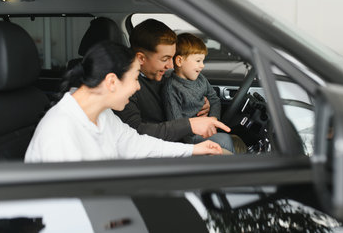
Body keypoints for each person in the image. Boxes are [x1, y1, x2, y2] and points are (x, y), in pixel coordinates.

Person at [24, 41, 222, 163]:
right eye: (136, 78)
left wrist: (195, 149)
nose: (137, 87)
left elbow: (137, 145)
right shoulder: (60, 131)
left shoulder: (102, 115)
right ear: (111, 81)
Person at [114, 19, 234, 150]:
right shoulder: (126, 88)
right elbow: (135, 131)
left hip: (178, 142)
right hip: (162, 148)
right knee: (225, 143)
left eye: (172, 58)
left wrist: (202, 104)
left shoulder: (165, 76)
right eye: (165, 59)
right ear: (141, 58)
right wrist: (190, 125)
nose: (171, 65)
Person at [162, 33, 234, 152]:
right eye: (198, 61)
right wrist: (192, 147)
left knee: (229, 138)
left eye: (202, 61)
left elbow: (214, 99)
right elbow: (176, 125)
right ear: (179, 61)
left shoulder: (201, 79)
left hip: (206, 128)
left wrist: (213, 119)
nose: (202, 66)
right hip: (190, 137)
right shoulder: (172, 89)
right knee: (225, 140)